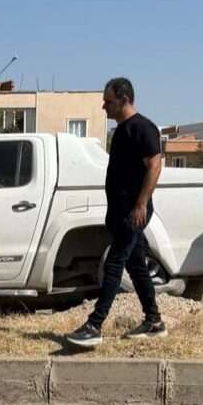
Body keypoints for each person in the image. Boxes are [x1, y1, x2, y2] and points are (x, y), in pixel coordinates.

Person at [66, 77, 167, 349]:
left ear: (124, 100)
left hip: (134, 212)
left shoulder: (143, 128)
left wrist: (141, 205)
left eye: (108, 101)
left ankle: (95, 325)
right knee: (136, 265)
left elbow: (155, 168)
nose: (104, 107)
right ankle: (154, 321)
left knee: (114, 263)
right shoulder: (122, 131)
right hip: (122, 211)